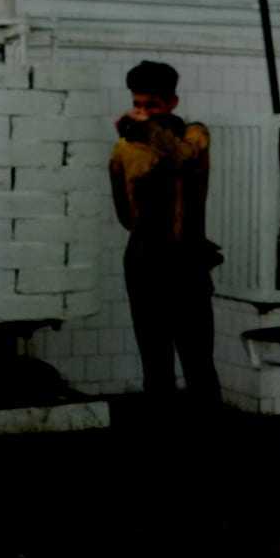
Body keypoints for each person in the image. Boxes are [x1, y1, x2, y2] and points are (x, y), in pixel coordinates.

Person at [109, 60, 221, 410]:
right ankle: (162, 443)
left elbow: (184, 158)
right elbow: (126, 213)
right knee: (155, 363)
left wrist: (148, 136)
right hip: (146, 259)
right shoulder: (125, 150)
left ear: (172, 102)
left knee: (198, 358)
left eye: (151, 106)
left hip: (187, 261)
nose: (142, 114)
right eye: (137, 105)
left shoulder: (195, 135)